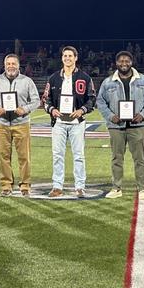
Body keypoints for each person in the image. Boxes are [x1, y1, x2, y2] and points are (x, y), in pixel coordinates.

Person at [96, 51, 144, 201]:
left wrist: (143, 114)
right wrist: (111, 116)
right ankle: (116, 187)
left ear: (132, 62)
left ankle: (142, 188)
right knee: (117, 158)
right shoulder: (108, 82)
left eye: (127, 61)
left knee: (139, 158)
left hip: (138, 125)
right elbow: (100, 101)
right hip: (116, 126)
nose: (124, 63)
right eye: (121, 61)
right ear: (116, 63)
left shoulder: (143, 80)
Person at [42, 46, 97, 197]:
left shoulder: (85, 78)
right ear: (62, 58)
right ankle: (57, 186)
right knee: (57, 154)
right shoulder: (53, 78)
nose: (67, 58)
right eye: (65, 56)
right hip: (58, 123)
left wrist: (82, 110)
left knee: (78, 155)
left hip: (77, 123)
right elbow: (45, 99)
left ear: (76, 58)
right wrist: (52, 110)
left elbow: (92, 98)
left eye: (70, 56)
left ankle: (80, 186)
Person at [0, 54, 40, 196]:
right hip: (2, 123)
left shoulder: (27, 81)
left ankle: (25, 185)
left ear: (18, 65)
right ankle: (6, 185)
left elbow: (36, 101)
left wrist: (25, 109)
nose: (11, 66)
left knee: (24, 156)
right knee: (4, 156)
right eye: (8, 63)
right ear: (4, 65)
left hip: (21, 123)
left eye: (13, 63)